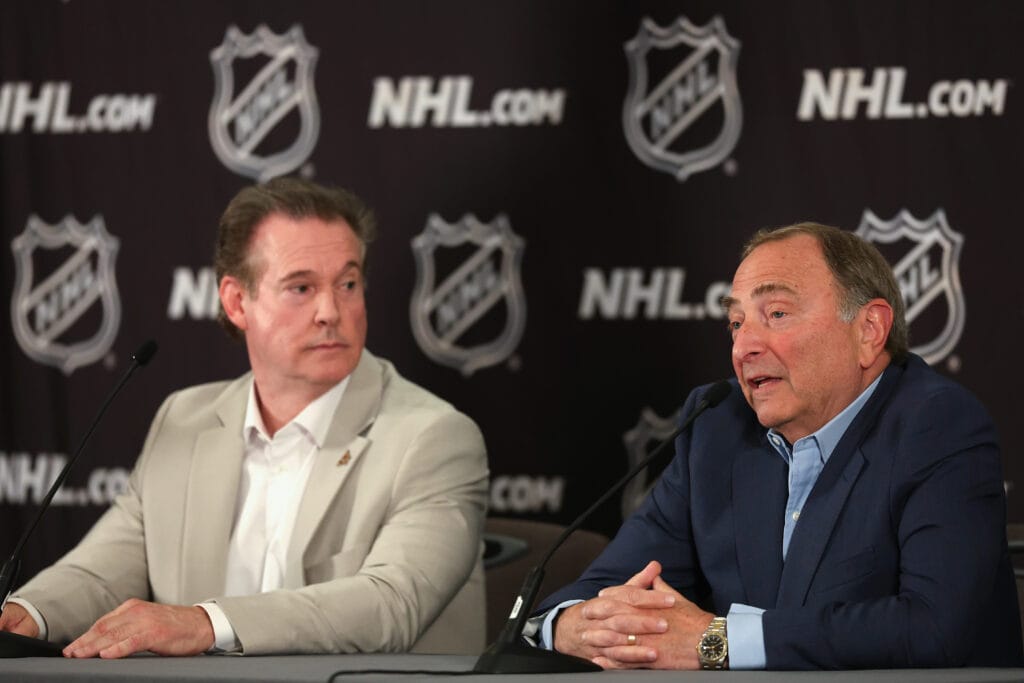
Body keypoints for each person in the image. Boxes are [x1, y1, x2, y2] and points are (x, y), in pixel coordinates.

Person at [0, 178, 489, 658]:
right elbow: (103, 570)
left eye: (348, 283)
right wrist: (25, 613)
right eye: (301, 287)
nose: (330, 311)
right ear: (237, 301)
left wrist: (205, 623)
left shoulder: (433, 437)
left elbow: (390, 602)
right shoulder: (184, 420)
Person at [533, 223, 1022, 669]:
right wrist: (574, 624)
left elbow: (934, 629)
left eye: (777, 313)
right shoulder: (717, 426)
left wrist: (715, 641)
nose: (744, 346)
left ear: (869, 331)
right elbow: (611, 587)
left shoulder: (936, 426)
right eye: (737, 323)